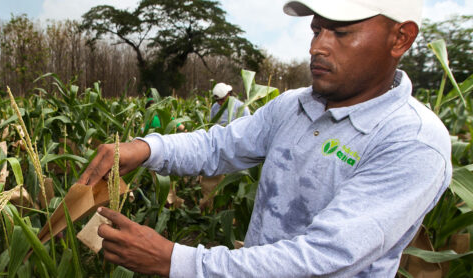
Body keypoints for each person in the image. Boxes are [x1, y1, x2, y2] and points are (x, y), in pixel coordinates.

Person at [77, 0, 452, 277]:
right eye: (316, 30)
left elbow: (325, 257)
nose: (317, 47)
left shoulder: (412, 142)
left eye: (340, 32)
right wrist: (146, 148)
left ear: (400, 38)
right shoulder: (292, 107)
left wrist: (176, 261)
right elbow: (219, 146)